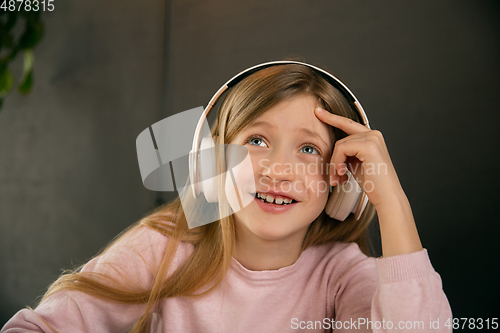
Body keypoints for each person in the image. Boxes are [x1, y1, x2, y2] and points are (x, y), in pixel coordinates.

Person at [2, 62, 452, 332]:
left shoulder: (340, 275)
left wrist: (392, 202)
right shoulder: (165, 246)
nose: (278, 170)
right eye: (257, 140)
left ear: (342, 181)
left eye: (309, 148)